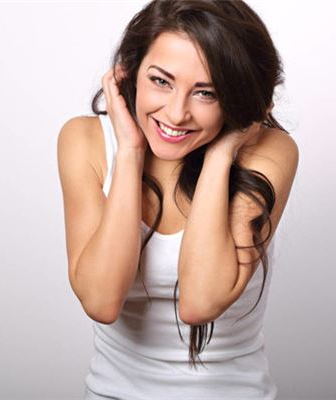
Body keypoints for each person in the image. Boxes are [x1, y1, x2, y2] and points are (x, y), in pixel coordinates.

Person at [57, 1, 299, 398]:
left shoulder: (269, 150)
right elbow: (101, 301)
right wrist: (130, 152)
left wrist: (221, 155)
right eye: (161, 81)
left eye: (206, 93)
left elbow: (200, 302)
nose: (176, 113)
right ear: (130, 72)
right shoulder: (85, 142)